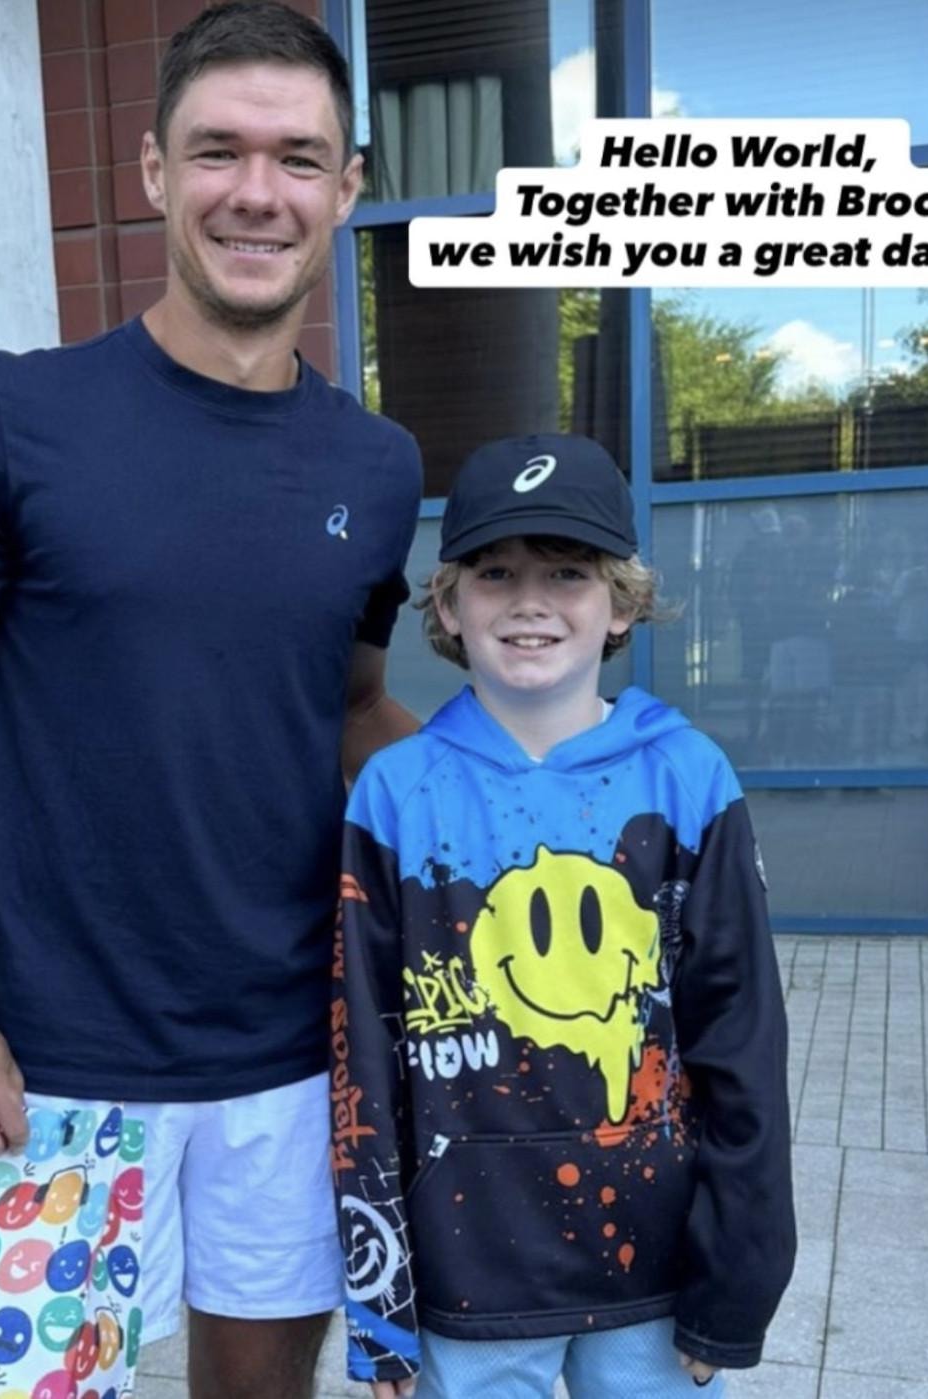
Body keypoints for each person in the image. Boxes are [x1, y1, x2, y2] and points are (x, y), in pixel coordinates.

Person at [0, 4, 420, 1396]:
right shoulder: (7, 417)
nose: (257, 191)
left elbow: (352, 705)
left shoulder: (377, 466)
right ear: (156, 171)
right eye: (218, 150)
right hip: (47, 1055)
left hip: (295, 1054)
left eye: (298, 158)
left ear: (347, 186)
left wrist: (542, 800)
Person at [331, 434, 795, 1399]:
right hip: (467, 1283)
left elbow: (742, 1042)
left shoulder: (688, 778)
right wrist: (380, 1308)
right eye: (496, 573)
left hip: (656, 1276)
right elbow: (360, 1063)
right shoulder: (395, 794)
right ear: (448, 603)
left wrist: (737, 1281)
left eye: (568, 572)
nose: (530, 601)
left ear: (621, 600)